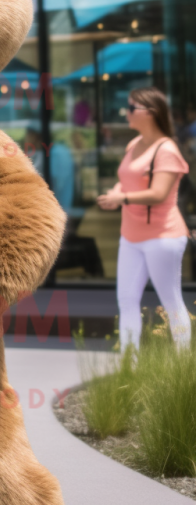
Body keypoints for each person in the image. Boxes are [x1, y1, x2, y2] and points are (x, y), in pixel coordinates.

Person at [97, 87, 192, 352]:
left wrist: (122, 199)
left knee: (171, 301)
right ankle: (130, 365)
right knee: (126, 300)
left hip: (163, 237)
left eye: (130, 109)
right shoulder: (133, 144)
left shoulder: (167, 150)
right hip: (130, 236)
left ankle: (183, 367)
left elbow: (159, 194)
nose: (125, 113)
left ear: (150, 113)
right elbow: (126, 180)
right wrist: (116, 192)